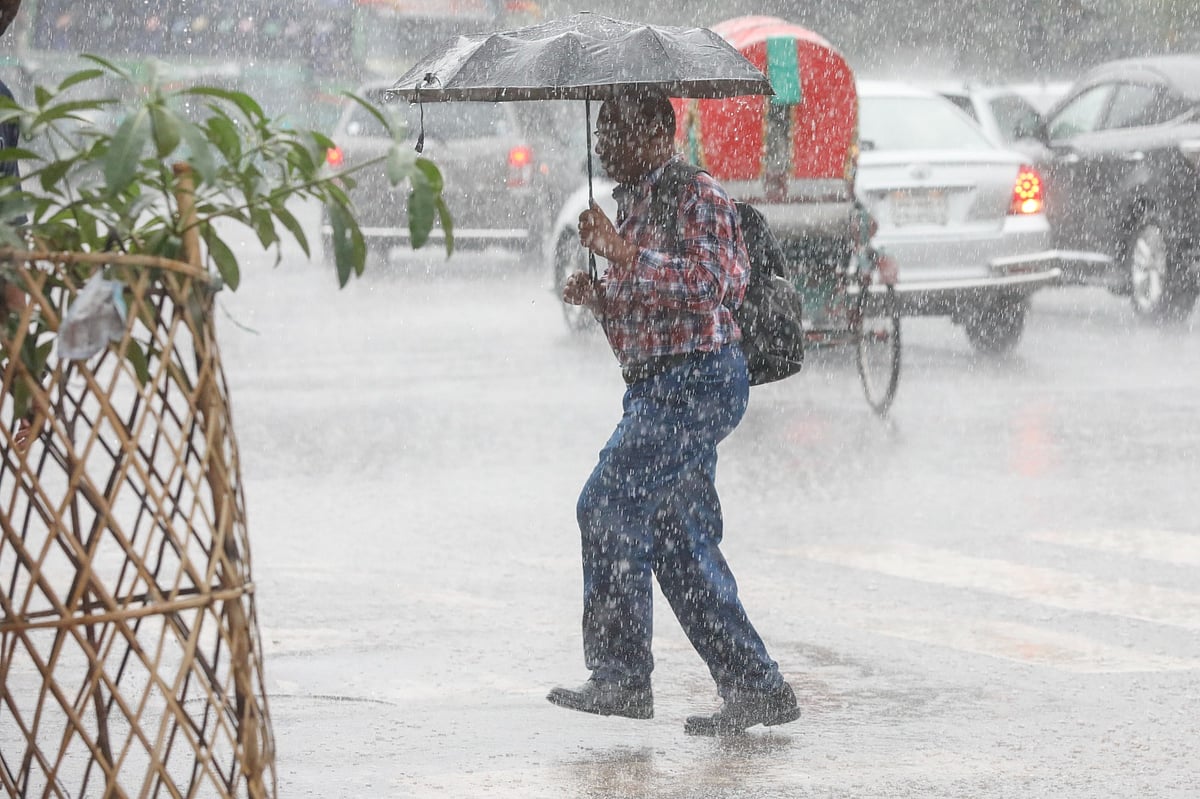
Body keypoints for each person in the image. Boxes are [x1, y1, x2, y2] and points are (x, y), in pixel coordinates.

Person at [546, 88, 800, 736]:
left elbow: (712, 285)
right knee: (678, 542)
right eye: (601, 132)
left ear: (661, 133)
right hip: (657, 386)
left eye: (618, 131)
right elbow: (648, 318)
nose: (604, 144)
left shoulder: (699, 195)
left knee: (607, 504)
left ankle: (622, 677)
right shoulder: (629, 205)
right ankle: (756, 685)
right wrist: (602, 298)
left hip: (698, 383)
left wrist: (625, 256)